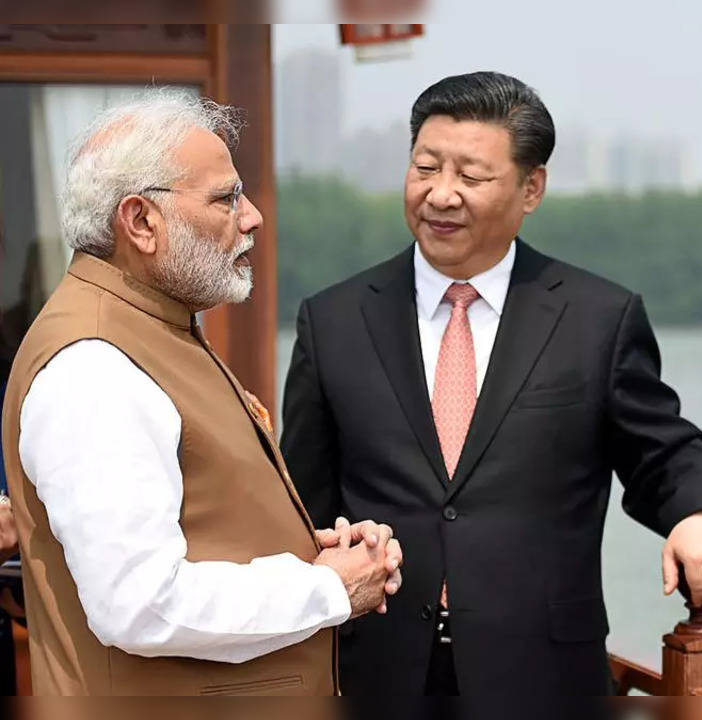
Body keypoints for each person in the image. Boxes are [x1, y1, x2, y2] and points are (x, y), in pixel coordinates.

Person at [281, 71, 702, 695]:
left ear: (532, 188)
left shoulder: (596, 319)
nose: (441, 195)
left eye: (471, 177)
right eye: (425, 168)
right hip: (375, 676)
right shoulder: (334, 320)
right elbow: (298, 500)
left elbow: (665, 451)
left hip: (544, 679)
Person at [0, 90, 403, 695]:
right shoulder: (94, 365)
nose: (253, 216)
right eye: (225, 198)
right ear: (140, 222)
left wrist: (304, 552)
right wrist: (328, 589)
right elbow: (140, 604)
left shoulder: (153, 325)